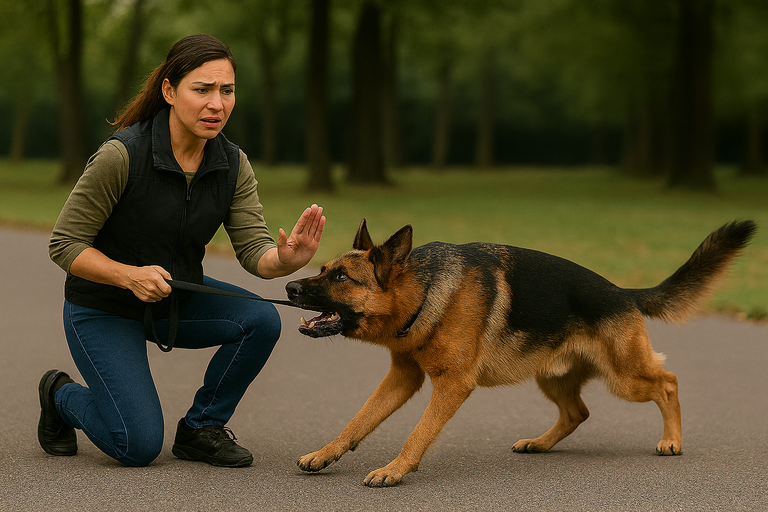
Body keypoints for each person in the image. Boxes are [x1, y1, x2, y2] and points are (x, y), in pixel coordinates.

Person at [42, 34, 325, 468]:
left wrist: (285, 260)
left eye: (227, 91)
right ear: (170, 91)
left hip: (175, 299)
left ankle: (201, 429)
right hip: (103, 306)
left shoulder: (232, 164)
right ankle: (60, 394)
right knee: (136, 446)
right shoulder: (122, 156)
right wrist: (128, 276)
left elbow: (255, 251)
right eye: (203, 89)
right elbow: (64, 244)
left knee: (261, 321)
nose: (217, 104)